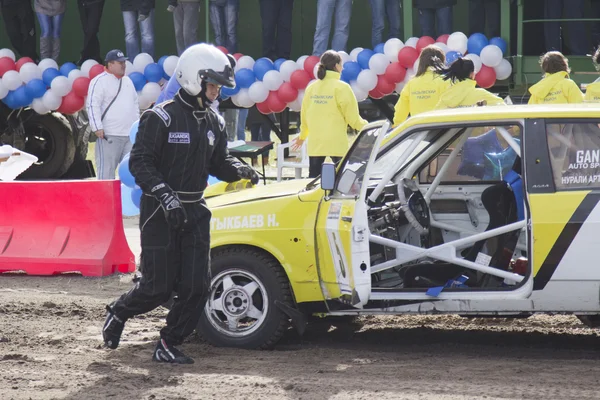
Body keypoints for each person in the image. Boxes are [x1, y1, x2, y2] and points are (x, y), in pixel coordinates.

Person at [102, 43, 259, 364]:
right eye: (212, 84)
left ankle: (168, 342)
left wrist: (242, 169)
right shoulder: (159, 118)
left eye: (218, 85)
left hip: (195, 211)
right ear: (193, 79)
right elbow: (141, 164)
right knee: (157, 288)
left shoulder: (214, 122)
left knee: (197, 287)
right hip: (159, 211)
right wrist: (165, 195)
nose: (217, 91)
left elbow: (219, 164)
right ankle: (118, 312)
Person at [293, 50, 367, 178]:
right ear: (337, 66)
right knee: (342, 180)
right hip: (336, 142)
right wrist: (368, 128)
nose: (342, 68)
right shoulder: (342, 88)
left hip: (316, 144)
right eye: (341, 64)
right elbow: (353, 119)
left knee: (313, 182)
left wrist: (302, 136)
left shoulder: (311, 88)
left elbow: (304, 116)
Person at [87, 49, 140, 180]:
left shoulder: (128, 81)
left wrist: (136, 128)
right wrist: (97, 127)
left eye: (124, 62)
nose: (123, 65)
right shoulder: (98, 81)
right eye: (120, 62)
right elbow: (93, 105)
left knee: (131, 173)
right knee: (106, 174)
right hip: (109, 135)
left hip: (129, 136)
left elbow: (135, 105)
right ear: (110, 64)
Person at [393, 45, 449, 126]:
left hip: (418, 132)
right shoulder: (445, 81)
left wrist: (396, 127)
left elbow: (400, 111)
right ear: (441, 62)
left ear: (421, 62)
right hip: (441, 131)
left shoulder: (411, 83)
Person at [434, 57, 505, 109]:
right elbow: (504, 109)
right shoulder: (482, 95)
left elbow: (434, 119)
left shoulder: (445, 98)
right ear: (471, 74)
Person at [76, 0, 105, 65]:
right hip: (82, 3)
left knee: (92, 30)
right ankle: (96, 58)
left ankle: (84, 56)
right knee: (87, 31)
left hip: (96, 2)